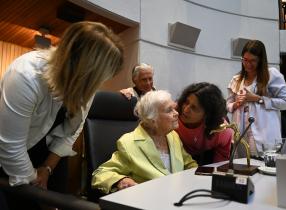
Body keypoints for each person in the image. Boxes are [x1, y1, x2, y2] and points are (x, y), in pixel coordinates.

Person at [0, 21, 123, 208]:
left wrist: (47, 169)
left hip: (51, 153)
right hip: (13, 152)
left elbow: (71, 132)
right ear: (83, 70)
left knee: (57, 201)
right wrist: (35, 182)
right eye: (99, 77)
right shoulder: (25, 75)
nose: (99, 84)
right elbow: (11, 145)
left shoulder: (85, 85)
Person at [91, 90, 197, 194]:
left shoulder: (172, 136)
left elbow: (188, 163)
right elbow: (101, 174)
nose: (177, 113)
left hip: (178, 197)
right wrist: (121, 181)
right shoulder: (129, 143)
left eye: (174, 108)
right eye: (169, 110)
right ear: (152, 119)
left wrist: (201, 177)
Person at [226, 40, 286, 157]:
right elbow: (228, 104)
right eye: (245, 60)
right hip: (240, 132)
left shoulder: (271, 75)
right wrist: (236, 104)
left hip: (263, 133)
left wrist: (258, 99)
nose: (248, 64)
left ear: (261, 60)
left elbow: (285, 103)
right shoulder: (236, 79)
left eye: (252, 61)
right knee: (241, 168)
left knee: (260, 168)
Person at [176, 82, 233, 165]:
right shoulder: (172, 115)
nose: (185, 110)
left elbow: (220, 163)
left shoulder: (221, 130)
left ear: (207, 115)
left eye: (194, 108)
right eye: (186, 102)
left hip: (207, 159)